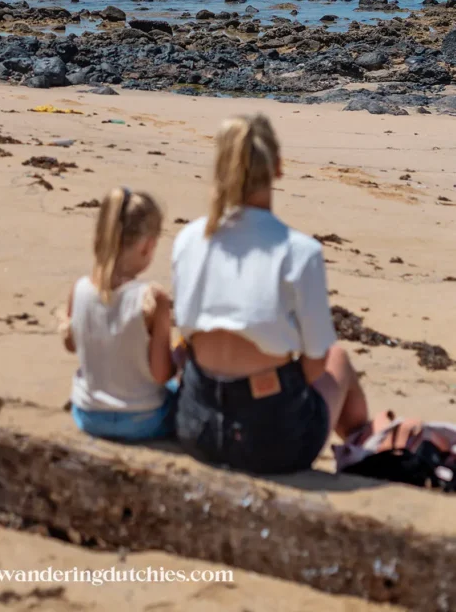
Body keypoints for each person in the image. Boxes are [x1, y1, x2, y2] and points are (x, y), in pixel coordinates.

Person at [173, 114, 369, 474]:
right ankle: (363, 447)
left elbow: (184, 335)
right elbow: (314, 365)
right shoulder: (299, 251)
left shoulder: (188, 240)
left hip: (196, 428)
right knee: (337, 359)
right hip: (271, 442)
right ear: (278, 167)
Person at [62, 187, 177, 441]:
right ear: (147, 246)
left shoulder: (79, 289)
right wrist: (178, 359)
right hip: (143, 419)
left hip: (89, 414)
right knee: (177, 390)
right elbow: (160, 374)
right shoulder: (152, 298)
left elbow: (71, 344)